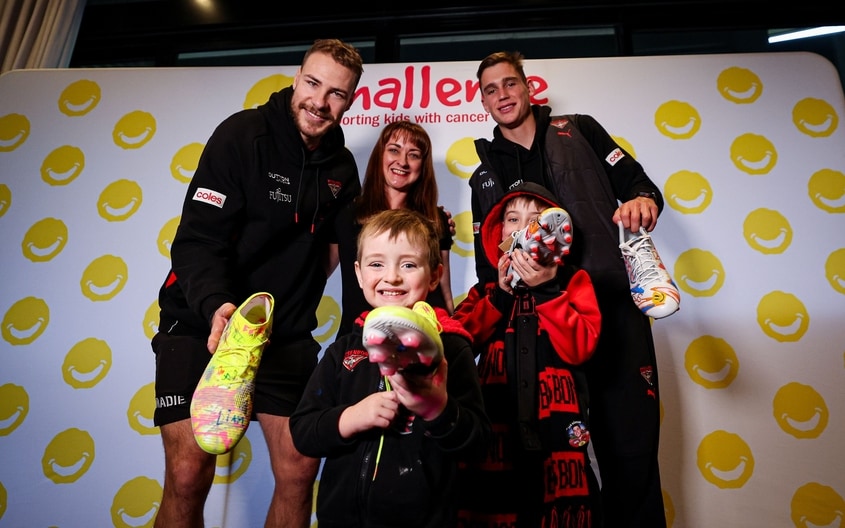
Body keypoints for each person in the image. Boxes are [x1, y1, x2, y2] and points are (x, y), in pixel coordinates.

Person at [150, 39, 364, 528]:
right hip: (201, 320)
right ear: (297, 78)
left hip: (283, 336)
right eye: (313, 84)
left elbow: (348, 255)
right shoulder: (241, 136)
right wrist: (218, 306)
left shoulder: (341, 169)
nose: (320, 101)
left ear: (349, 101)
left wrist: (356, 340)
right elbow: (196, 240)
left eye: (336, 94)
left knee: (299, 469)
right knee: (187, 473)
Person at [470, 51, 668, 527]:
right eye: (491, 89)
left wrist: (642, 201)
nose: (503, 95)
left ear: (528, 87)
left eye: (509, 84)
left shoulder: (578, 129)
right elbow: (487, 268)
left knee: (631, 451)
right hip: (539, 333)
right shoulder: (483, 175)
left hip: (610, 307)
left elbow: (640, 186)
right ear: (482, 101)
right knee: (547, 467)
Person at [290, 208, 490, 528]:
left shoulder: (452, 348)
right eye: (376, 264)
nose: (392, 276)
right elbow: (303, 432)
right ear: (358, 274)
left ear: (435, 275)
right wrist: (352, 418)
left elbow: (478, 444)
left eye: (408, 264)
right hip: (340, 519)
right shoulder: (344, 351)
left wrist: (438, 410)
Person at [454, 181, 603, 527]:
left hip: (559, 435)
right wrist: (500, 299)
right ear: (499, 233)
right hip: (495, 433)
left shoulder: (574, 283)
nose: (524, 228)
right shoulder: (485, 291)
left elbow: (581, 346)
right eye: (513, 219)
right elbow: (458, 343)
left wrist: (548, 292)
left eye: (537, 220)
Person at [331, 120, 455, 338]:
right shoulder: (348, 214)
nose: (402, 162)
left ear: (423, 165)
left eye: (414, 154)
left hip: (420, 338)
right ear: (380, 155)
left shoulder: (436, 220)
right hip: (358, 338)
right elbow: (320, 272)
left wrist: (453, 340)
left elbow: (444, 293)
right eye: (394, 150)